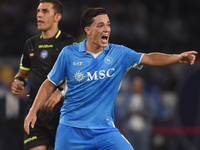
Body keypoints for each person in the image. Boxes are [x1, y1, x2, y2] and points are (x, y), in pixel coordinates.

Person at [24, 7, 197, 150]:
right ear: (88, 30)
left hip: (105, 132)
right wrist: (33, 112)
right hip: (71, 130)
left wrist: (177, 57)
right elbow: (49, 84)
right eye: (100, 25)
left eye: (108, 24)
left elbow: (149, 58)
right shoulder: (69, 54)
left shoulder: (119, 53)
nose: (106, 29)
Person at [11, 0, 76, 150]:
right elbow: (23, 73)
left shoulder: (68, 43)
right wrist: (19, 82)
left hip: (62, 114)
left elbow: (76, 76)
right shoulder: (30, 44)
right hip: (35, 113)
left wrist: (60, 91)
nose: (39, 15)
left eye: (45, 11)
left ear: (57, 17)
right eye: (38, 11)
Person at [125, 76, 154, 150]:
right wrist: (128, 111)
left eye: (138, 86)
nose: (136, 88)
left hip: (143, 130)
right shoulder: (127, 98)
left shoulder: (147, 99)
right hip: (130, 130)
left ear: (142, 87)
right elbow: (122, 112)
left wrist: (144, 113)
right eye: (134, 85)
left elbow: (152, 113)